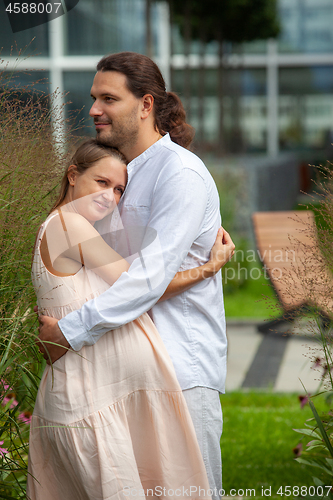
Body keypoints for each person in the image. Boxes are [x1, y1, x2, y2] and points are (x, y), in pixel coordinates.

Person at [37, 52, 233, 499]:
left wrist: (68, 331)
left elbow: (145, 279)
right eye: (93, 98)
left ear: (146, 105)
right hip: (119, 374)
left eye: (109, 98)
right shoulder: (113, 177)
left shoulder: (179, 174)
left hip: (179, 372)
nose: (93, 110)